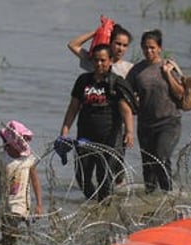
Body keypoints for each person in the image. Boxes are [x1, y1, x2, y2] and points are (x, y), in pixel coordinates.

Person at [60, 44, 135, 202]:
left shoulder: (116, 83)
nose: (99, 64)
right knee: (83, 176)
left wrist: (129, 131)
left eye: (103, 60)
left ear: (110, 61)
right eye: (96, 60)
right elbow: (73, 108)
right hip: (85, 137)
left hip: (110, 139)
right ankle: (94, 206)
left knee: (104, 177)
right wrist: (65, 131)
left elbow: (126, 110)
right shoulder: (83, 81)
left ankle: (104, 208)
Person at [126, 29, 184, 194]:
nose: (148, 51)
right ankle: (151, 201)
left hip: (169, 122)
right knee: (148, 166)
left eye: (152, 47)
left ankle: (168, 194)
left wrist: (167, 75)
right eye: (145, 48)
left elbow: (180, 93)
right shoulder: (137, 70)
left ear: (160, 48)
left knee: (160, 157)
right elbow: (125, 93)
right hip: (145, 124)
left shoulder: (169, 66)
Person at [0, 120, 43, 245]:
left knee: (13, 231)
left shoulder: (28, 160)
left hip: (21, 205)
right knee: (7, 236)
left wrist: (39, 204)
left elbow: (35, 181)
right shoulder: (1, 157)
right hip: (5, 205)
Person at [68, 20, 134, 78]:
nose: (121, 49)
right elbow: (72, 45)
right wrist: (98, 31)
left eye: (125, 45)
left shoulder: (129, 68)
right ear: (110, 42)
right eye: (118, 44)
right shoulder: (96, 62)